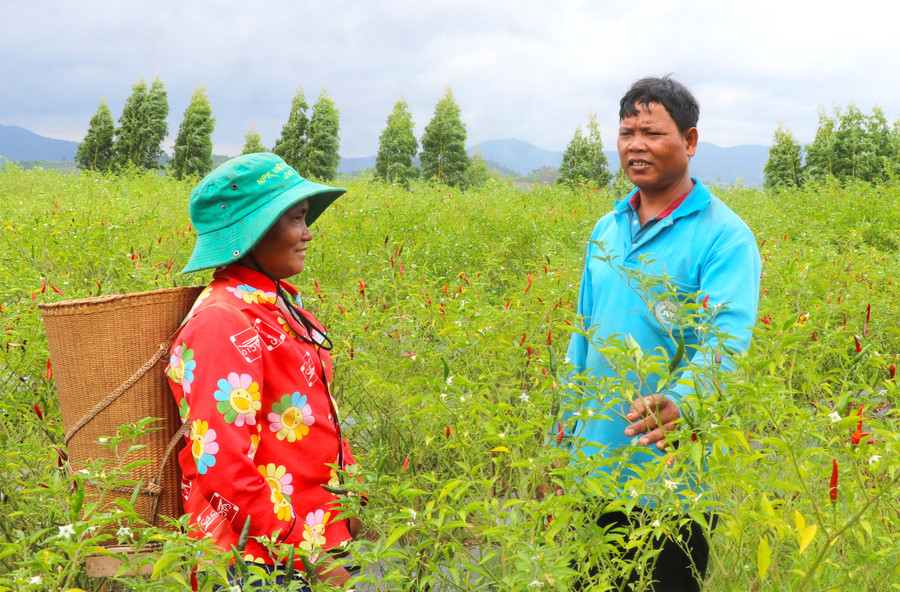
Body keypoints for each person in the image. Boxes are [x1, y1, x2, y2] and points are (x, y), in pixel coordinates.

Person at [561, 76, 761, 590]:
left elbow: (726, 342)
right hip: (592, 468)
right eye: (627, 132)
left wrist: (681, 400)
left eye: (652, 132)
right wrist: (561, 434)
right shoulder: (607, 229)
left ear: (690, 142)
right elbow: (581, 335)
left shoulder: (725, 236)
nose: (636, 145)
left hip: (670, 480)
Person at [165, 153, 358, 589]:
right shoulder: (222, 321)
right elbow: (223, 467)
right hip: (257, 558)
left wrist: (348, 506)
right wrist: (305, 555)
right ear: (252, 232)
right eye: (296, 219)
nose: (308, 234)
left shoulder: (274, 304)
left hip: (307, 535)